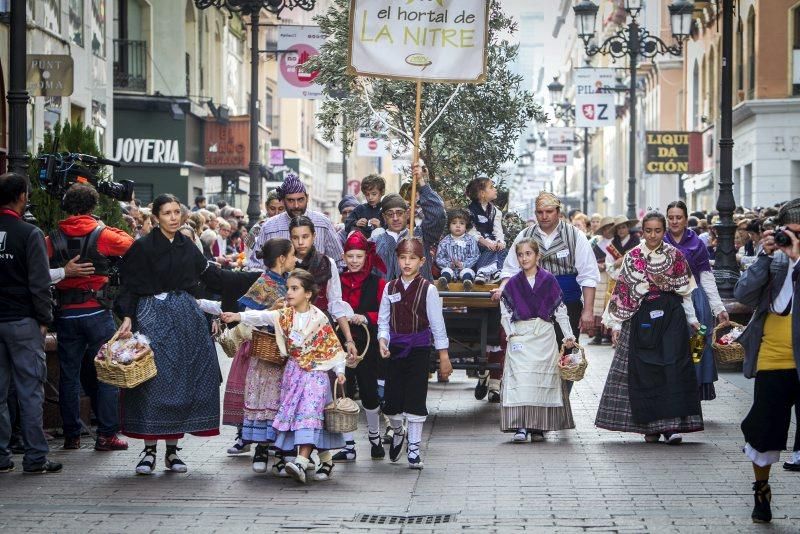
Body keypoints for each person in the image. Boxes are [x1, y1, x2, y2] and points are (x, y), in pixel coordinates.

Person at [114, 194, 220, 475]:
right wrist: (127, 316)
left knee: (183, 380)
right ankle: (148, 452)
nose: (174, 217)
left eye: (177, 212)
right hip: (151, 316)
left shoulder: (188, 246)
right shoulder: (142, 247)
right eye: (167, 213)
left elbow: (206, 281)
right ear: (156, 217)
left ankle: (172, 452)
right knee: (153, 380)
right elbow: (129, 285)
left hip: (186, 318)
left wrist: (253, 287)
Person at [221, 269, 350, 484]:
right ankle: (326, 460)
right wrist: (237, 316)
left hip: (315, 376)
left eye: (294, 288)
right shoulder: (284, 315)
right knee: (302, 419)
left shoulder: (319, 318)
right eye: (288, 288)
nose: (288, 292)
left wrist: (340, 372)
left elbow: (333, 348)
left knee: (309, 414)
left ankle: (300, 462)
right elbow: (261, 315)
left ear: (308, 293)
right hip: (293, 374)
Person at [595, 211, 703, 445]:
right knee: (644, 372)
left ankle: (672, 426)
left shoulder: (676, 256)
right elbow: (622, 293)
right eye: (648, 230)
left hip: (672, 317)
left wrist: (692, 320)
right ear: (641, 232)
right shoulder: (633, 256)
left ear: (664, 232)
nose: (653, 235)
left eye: (657, 231)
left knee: (672, 370)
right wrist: (615, 324)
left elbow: (685, 293)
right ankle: (649, 427)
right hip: (639, 317)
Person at [46, 183, 134, 451]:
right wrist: (104, 225)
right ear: (93, 207)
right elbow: (131, 244)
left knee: (69, 376)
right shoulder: (103, 234)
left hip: (66, 314)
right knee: (107, 373)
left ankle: (72, 435)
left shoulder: (51, 238)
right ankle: (106, 435)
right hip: (97, 310)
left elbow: (38, 266)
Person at [198, 238, 294, 474]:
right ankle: (262, 448)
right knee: (264, 401)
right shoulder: (263, 283)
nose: (295, 259)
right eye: (292, 255)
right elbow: (250, 314)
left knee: (282, 402)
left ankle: (281, 452)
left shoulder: (292, 282)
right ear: (282, 259)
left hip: (286, 352)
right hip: (265, 351)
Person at [734, 198, 800, 523]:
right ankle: (762, 491)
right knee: (764, 431)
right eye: (791, 232)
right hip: (773, 360)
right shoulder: (773, 260)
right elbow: (743, 293)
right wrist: (765, 255)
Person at [495, 192, 599, 378]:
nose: (544, 216)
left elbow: (588, 274)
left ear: (558, 212)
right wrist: (503, 287)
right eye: (540, 212)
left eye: (549, 211)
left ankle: (563, 400)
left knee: (568, 354)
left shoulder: (575, 236)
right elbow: (510, 269)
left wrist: (588, 310)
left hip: (568, 304)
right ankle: (540, 400)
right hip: (530, 308)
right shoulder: (525, 235)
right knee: (536, 358)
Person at [0, 172, 62, 474]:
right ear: (22, 196)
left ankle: (1, 457)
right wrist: (44, 319)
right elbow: (39, 283)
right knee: (30, 391)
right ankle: (35, 457)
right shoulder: (29, 233)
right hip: (23, 322)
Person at [378, 237, 452, 469]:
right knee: (391, 401)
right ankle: (398, 432)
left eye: (412, 258)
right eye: (402, 258)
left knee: (416, 397)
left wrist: (443, 355)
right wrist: (383, 340)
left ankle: (414, 449)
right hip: (395, 348)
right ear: (397, 260)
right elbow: (383, 321)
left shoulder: (428, 289)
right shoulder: (389, 288)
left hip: (419, 348)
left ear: (422, 262)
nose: (407, 263)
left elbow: (437, 323)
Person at [500, 238, 576, 442]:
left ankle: (539, 427)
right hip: (521, 334)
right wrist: (510, 333)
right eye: (520, 254)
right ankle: (521, 426)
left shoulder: (549, 280)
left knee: (542, 380)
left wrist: (568, 335)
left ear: (537, 256)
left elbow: (560, 310)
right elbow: (505, 311)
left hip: (544, 334)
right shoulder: (514, 282)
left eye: (528, 253)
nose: (524, 258)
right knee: (522, 379)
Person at [332, 232, 388, 463]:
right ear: (344, 257)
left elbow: (385, 313)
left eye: (359, 256)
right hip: (341, 343)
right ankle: (348, 445)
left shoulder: (378, 282)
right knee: (342, 391)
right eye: (350, 256)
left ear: (367, 257)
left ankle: (375, 438)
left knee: (369, 392)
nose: (354, 260)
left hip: (368, 343)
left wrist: (365, 317)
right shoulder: (337, 281)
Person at [665, 201, 729, 401]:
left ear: (686, 219)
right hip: (668, 300)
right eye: (671, 217)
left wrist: (719, 308)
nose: (675, 221)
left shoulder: (696, 242)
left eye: (679, 217)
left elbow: (706, 277)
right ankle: (673, 394)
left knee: (697, 348)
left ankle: (695, 392)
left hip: (697, 299)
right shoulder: (659, 238)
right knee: (671, 348)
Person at [249, 173, 344, 269]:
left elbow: (339, 262)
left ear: (307, 198)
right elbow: (255, 265)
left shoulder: (323, 223)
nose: (296, 205)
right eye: (290, 200)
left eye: (300, 200)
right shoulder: (269, 227)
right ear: (283, 200)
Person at [372, 165, 446, 281]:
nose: (395, 218)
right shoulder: (375, 243)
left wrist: (421, 181)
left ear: (407, 214)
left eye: (399, 213)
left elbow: (438, 215)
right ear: (384, 217)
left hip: (419, 296)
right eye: (390, 214)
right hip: (386, 297)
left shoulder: (421, 236)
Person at [466, 176, 507, 284]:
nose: (495, 189)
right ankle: (482, 272)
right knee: (489, 247)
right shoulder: (469, 211)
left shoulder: (495, 211)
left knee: (502, 249)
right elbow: (471, 231)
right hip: (477, 242)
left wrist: (500, 241)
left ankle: (497, 271)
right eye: (491, 187)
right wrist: (483, 241)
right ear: (482, 193)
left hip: (491, 241)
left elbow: (498, 230)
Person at [435, 208, 480, 291]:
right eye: (454, 223)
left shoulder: (470, 240)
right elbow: (439, 257)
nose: (458, 226)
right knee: (446, 271)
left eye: (462, 223)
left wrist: (463, 264)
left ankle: (467, 283)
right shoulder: (445, 241)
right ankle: (443, 282)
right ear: (449, 226)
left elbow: (475, 255)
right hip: (450, 268)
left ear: (466, 226)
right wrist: (449, 264)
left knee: (467, 272)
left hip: (465, 267)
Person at [588, 216, 616, 345]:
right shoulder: (598, 245)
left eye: (610, 227)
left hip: (613, 276)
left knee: (611, 303)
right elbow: (591, 260)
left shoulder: (617, 243)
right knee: (599, 305)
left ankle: (610, 334)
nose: (608, 230)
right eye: (605, 228)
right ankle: (599, 333)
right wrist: (598, 266)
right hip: (601, 277)